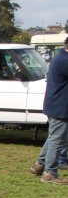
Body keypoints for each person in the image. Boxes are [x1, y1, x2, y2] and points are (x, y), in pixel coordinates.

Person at [30, 36, 68, 184]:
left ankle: (39, 164)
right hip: (61, 107)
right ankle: (50, 173)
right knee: (57, 140)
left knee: (53, 137)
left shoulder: (60, 57)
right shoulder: (64, 60)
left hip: (56, 105)